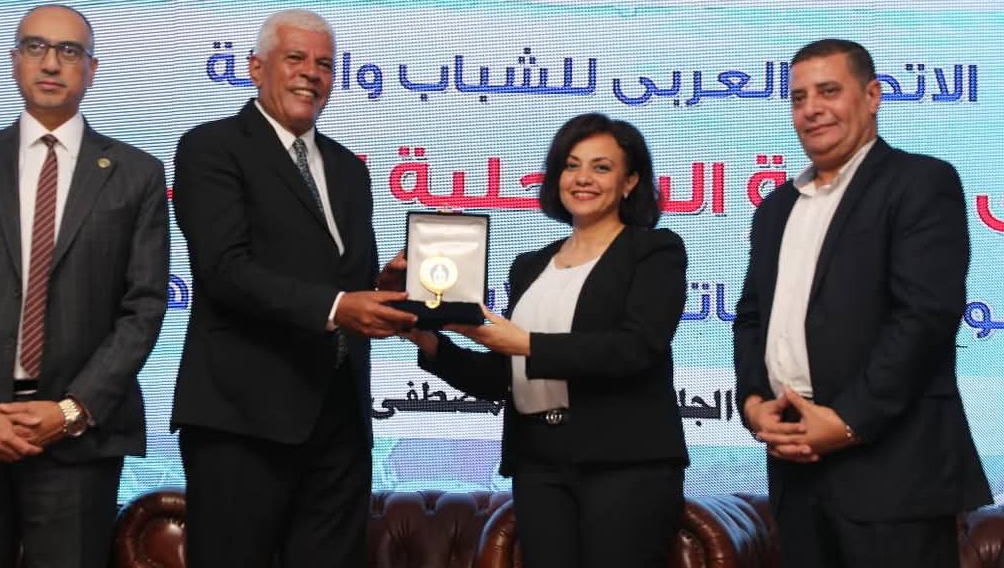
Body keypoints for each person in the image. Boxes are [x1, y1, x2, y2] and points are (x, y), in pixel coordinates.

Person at [0, 4, 170, 567]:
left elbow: (144, 306)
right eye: (35, 47)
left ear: (92, 69)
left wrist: (72, 410)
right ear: (14, 61)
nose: (51, 63)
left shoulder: (136, 173)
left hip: (77, 446)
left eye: (69, 51)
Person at [170, 9, 417, 567]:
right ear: (256, 68)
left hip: (340, 420)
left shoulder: (350, 170)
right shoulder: (212, 148)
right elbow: (224, 270)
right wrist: (338, 306)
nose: (312, 73)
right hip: (242, 420)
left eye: (325, 64)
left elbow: (342, 284)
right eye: (296, 58)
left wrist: (383, 287)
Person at [733, 39, 991, 568]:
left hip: (894, 472)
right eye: (799, 97)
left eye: (829, 91)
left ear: (872, 96)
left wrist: (847, 421)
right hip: (795, 469)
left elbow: (924, 317)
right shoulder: (775, 207)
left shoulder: (920, 182)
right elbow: (751, 318)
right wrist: (754, 404)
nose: (812, 109)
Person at [407, 113, 688, 568]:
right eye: (571, 165)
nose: (582, 178)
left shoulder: (654, 251)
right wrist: (429, 342)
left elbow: (636, 349)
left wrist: (526, 344)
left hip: (624, 463)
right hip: (538, 462)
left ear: (630, 182)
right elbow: (506, 377)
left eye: (601, 167)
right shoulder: (530, 265)